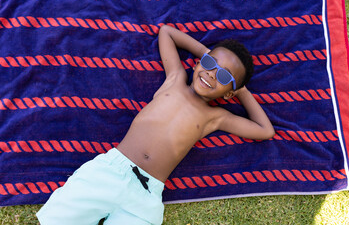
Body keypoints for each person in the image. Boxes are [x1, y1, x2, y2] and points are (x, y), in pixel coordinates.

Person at [36, 25, 275, 225]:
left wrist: (240, 89)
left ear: (228, 94)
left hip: (145, 197)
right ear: (198, 63)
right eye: (210, 63)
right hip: (110, 172)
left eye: (223, 77)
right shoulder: (175, 79)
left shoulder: (216, 117)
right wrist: (209, 56)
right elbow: (167, 32)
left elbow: (265, 130)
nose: (212, 74)